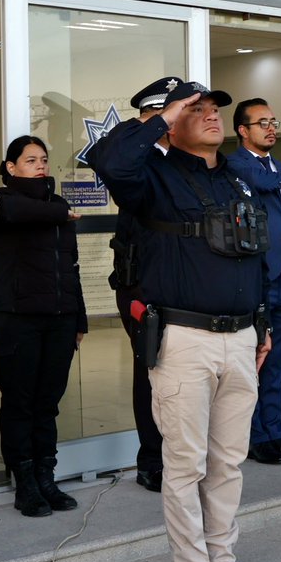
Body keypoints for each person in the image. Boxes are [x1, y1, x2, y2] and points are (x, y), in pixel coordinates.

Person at [90, 77, 271, 562]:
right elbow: (108, 161)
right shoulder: (152, 178)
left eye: (215, 106)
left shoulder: (237, 180)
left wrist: (260, 328)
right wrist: (164, 119)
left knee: (228, 463)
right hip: (184, 340)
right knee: (186, 465)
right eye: (198, 108)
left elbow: (251, 256)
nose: (212, 114)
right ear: (169, 119)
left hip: (240, 337)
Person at [0, 135, 86, 518]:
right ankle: (24, 483)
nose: (40, 165)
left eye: (43, 159)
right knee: (19, 403)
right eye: (30, 160)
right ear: (11, 168)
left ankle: (46, 478)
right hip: (16, 321)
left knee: (47, 404)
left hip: (59, 321)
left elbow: (70, 268)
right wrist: (61, 214)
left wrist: (79, 319)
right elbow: (16, 212)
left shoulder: (58, 207)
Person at [227, 98, 281, 466]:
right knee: (254, 364)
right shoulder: (235, 165)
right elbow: (256, 182)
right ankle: (255, 437)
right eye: (262, 123)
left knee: (276, 364)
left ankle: (275, 434)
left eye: (274, 121)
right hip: (257, 280)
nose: (271, 128)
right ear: (243, 131)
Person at [108, 90, 172, 494]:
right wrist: (150, 129)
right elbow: (115, 161)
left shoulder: (187, 162)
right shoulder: (137, 162)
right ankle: (152, 459)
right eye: (164, 115)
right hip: (141, 284)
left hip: (181, 284)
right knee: (150, 372)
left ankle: (181, 455)